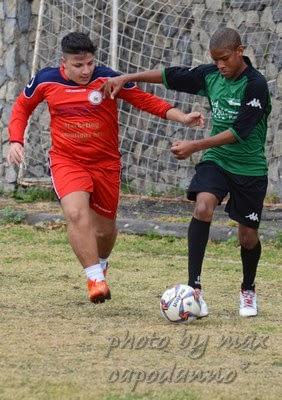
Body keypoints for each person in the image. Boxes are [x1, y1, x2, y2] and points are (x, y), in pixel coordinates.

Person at [7, 32, 204, 304]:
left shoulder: (108, 79)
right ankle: (95, 279)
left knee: (105, 231)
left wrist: (182, 116)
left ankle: (100, 263)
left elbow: (145, 101)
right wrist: (15, 140)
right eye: (78, 65)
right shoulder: (45, 80)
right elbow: (21, 107)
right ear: (63, 63)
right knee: (76, 214)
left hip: (106, 164)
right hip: (67, 160)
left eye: (89, 63)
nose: (86, 70)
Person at [101, 27, 271, 317]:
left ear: (240, 51)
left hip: (249, 168)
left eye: (225, 58)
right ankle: (194, 290)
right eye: (215, 59)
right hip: (217, 159)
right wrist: (126, 77)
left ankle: (248, 289)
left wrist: (194, 145)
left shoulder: (255, 84)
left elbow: (239, 132)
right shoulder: (212, 75)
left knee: (247, 237)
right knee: (203, 206)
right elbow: (171, 76)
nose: (220, 65)